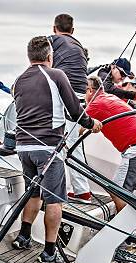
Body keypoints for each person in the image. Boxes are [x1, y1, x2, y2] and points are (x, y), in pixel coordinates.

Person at [11, 36, 102, 263]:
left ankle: (23, 237)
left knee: (33, 193)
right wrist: (93, 124)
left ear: (29, 56)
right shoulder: (56, 75)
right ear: (50, 56)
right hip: (48, 148)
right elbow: (75, 111)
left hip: (24, 148)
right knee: (54, 201)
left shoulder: (18, 81)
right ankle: (49, 252)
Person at [84, 75, 136, 212]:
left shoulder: (96, 104)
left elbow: (78, 128)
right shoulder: (109, 98)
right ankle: (124, 224)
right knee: (120, 191)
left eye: (84, 92)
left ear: (89, 91)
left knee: (118, 192)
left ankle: (123, 230)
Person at [48, 13, 92, 201]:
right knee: (74, 145)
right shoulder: (79, 47)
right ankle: (82, 191)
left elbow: (38, 60)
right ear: (72, 31)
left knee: (22, 98)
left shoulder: (52, 40)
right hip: (79, 95)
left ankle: (2, 141)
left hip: (63, 91)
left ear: (53, 28)